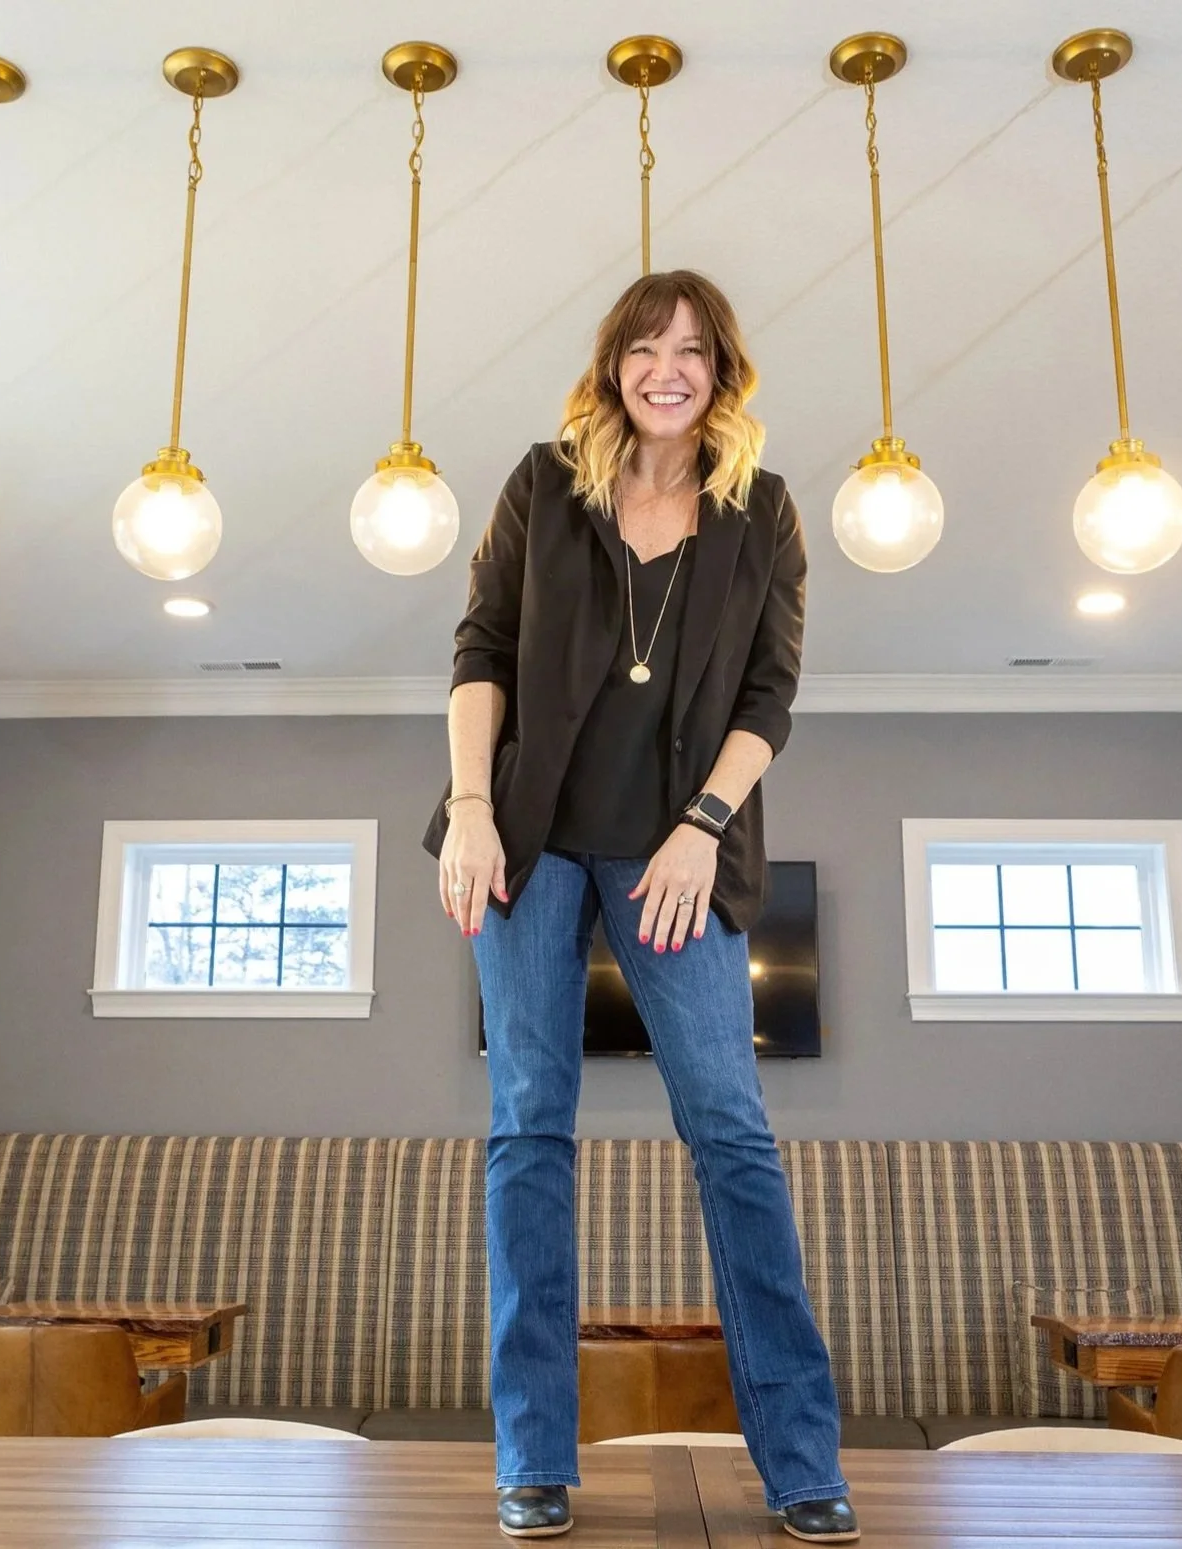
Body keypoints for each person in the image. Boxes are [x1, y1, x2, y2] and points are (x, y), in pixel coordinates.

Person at [424, 270, 857, 1544]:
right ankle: (533, 1456)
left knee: (730, 1130)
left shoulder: (761, 514)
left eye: (692, 350)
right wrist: (467, 809)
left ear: (722, 373)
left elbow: (768, 696)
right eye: (644, 346)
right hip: (529, 840)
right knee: (527, 1128)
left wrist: (701, 828)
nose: (667, 368)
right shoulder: (540, 485)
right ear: (612, 363)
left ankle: (800, 1461)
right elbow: (480, 651)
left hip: (680, 849)